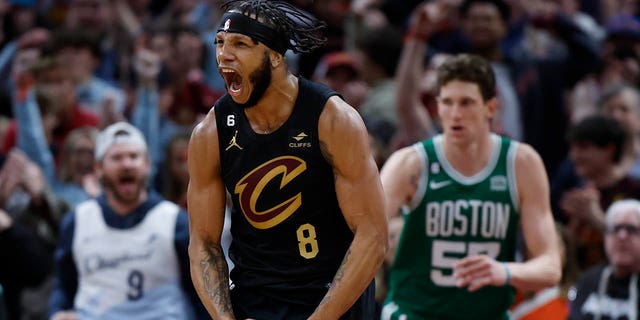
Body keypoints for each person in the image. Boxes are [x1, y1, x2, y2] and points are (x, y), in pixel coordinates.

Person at [186, 1, 388, 319]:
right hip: (257, 300)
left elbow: (373, 236)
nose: (224, 55)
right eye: (221, 43)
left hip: (331, 296)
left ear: (276, 57)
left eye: (241, 43)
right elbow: (204, 243)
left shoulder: (333, 120)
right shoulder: (211, 132)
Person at [379, 54, 561, 320]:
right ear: (437, 106)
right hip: (415, 312)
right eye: (447, 103)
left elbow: (551, 266)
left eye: (466, 103)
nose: (455, 114)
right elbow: (362, 237)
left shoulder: (521, 163)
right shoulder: (410, 163)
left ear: (490, 107)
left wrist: (506, 272)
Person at [48, 121, 206, 319]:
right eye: (116, 158)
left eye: (134, 156)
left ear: (147, 165)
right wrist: (58, 312)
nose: (127, 164)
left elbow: (202, 294)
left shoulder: (175, 221)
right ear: (98, 168)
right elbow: (63, 285)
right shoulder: (77, 221)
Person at [569, 199, 640, 320]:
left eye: (631, 229)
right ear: (606, 237)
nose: (622, 236)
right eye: (615, 229)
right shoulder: (589, 280)